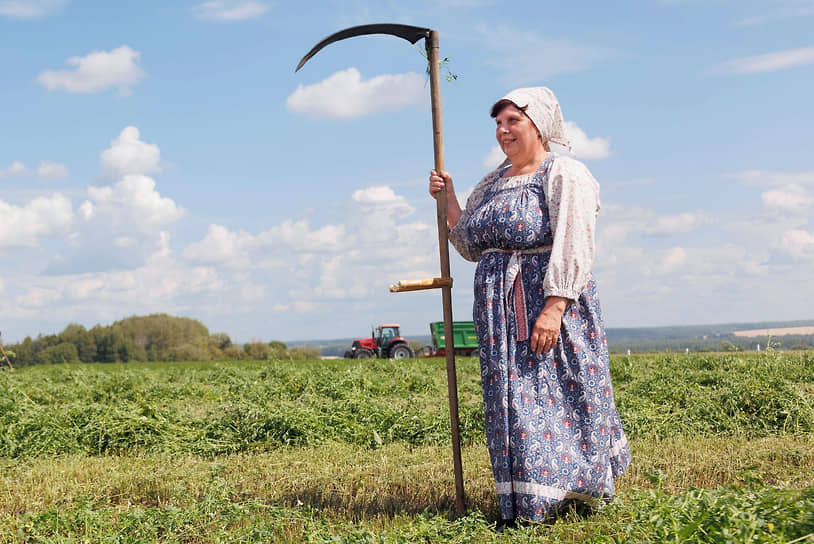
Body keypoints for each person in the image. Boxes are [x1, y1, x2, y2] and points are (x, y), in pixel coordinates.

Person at [429, 87, 630, 524]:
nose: (502, 131)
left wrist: (553, 307)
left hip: (550, 306)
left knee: (562, 393)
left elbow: (575, 241)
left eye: (512, 121)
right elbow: (467, 244)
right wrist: (449, 200)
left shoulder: (564, 173)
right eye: (498, 124)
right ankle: (528, 502)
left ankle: (579, 492)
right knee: (514, 401)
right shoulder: (493, 182)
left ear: (538, 124)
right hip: (499, 318)